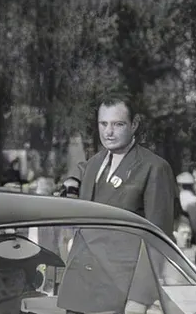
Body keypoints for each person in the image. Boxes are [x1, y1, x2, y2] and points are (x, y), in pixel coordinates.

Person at [70, 96, 175, 233]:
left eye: (118, 124)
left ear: (134, 124)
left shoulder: (154, 168)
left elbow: (159, 234)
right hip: (81, 253)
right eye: (103, 124)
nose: (108, 132)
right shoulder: (92, 164)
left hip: (123, 254)